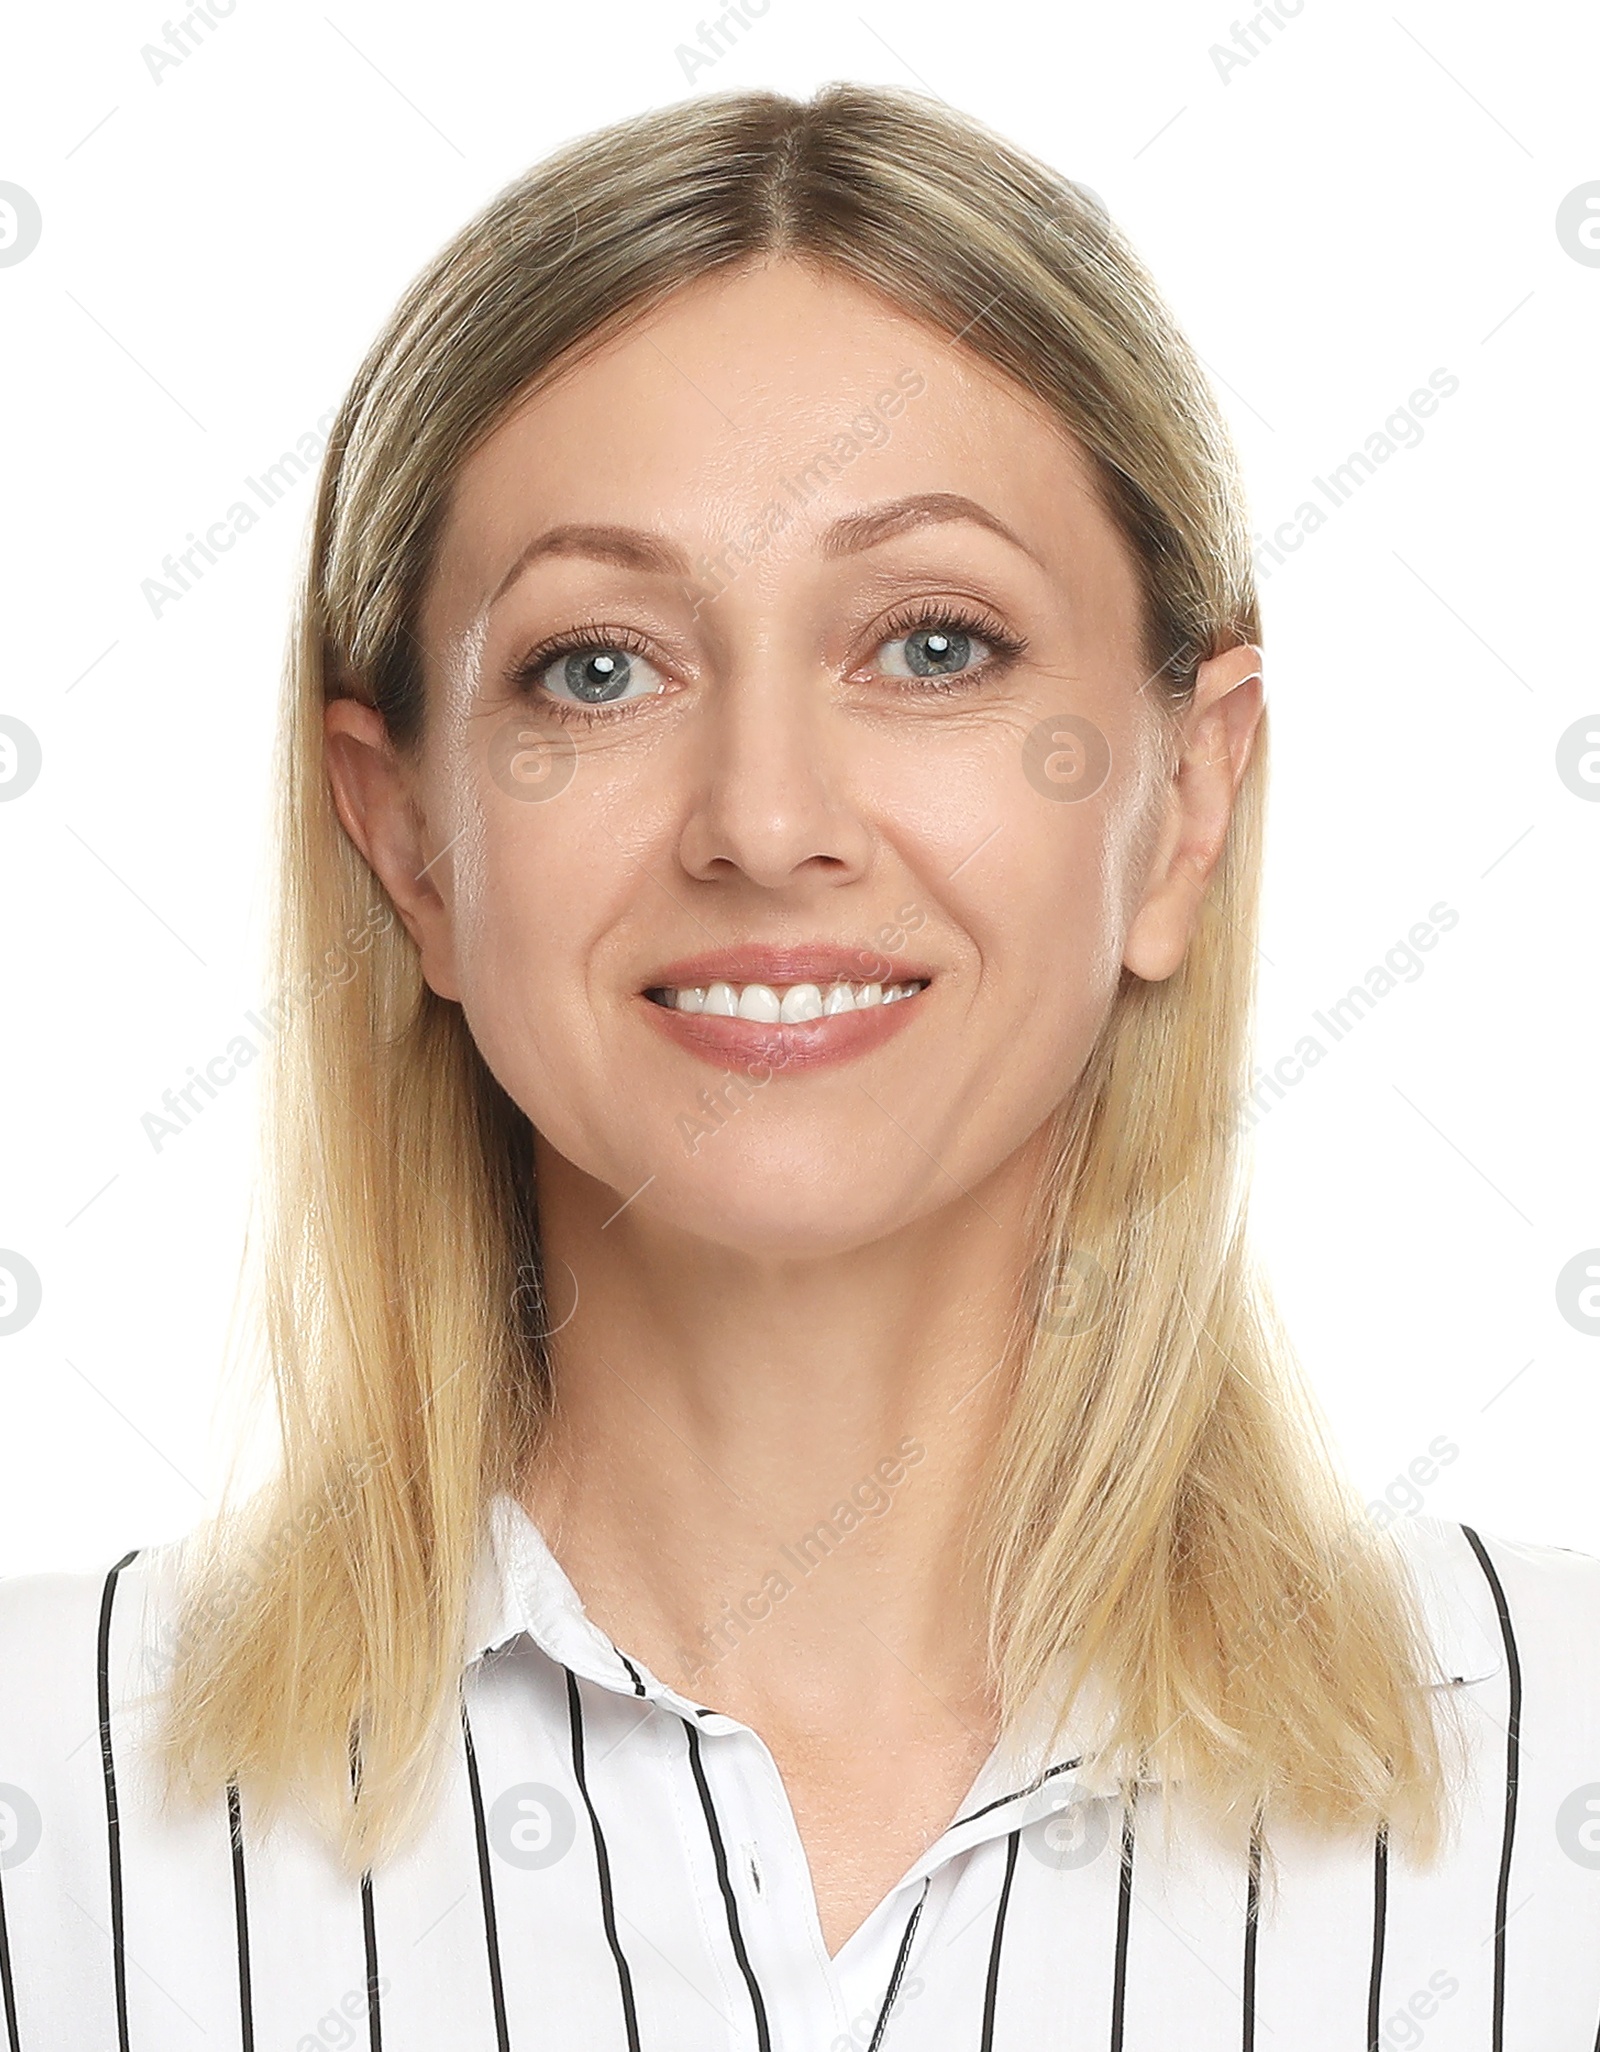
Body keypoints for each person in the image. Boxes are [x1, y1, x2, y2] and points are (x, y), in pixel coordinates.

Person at [2, 82, 1596, 2052]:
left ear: (1182, 802)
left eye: (930, 646)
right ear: (404, 835)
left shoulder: (1557, 1780)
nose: (764, 820)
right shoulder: (45, 1830)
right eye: (598, 666)